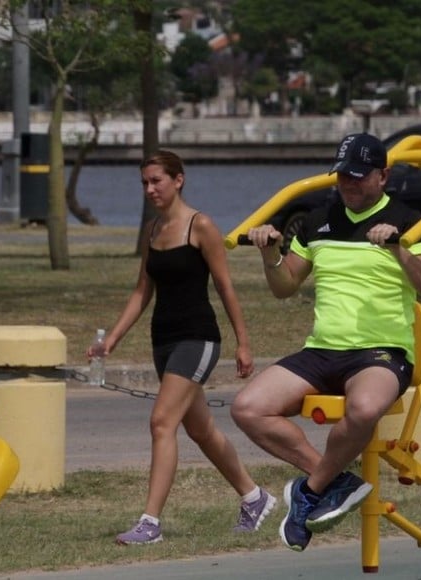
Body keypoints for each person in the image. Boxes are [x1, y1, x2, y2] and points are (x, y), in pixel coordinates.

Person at [233, 133, 421, 552]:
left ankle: (310, 490)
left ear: (383, 176)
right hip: (322, 349)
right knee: (247, 408)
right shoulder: (319, 220)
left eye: (357, 176)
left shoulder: (407, 221)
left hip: (381, 351)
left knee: (364, 407)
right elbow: (285, 285)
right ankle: (333, 482)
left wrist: (399, 248)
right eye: (342, 176)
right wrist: (270, 254)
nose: (347, 184)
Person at [88, 150, 276, 546]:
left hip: (199, 338)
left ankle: (150, 523)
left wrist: (243, 343)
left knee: (161, 423)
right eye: (144, 182)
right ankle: (254, 497)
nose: (150, 189)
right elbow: (143, 290)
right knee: (201, 430)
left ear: (178, 180)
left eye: (156, 180)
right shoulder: (153, 230)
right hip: (164, 340)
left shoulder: (200, 226)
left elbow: (225, 286)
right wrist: (113, 339)